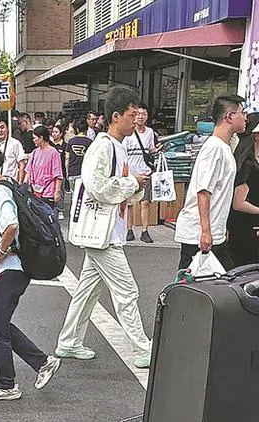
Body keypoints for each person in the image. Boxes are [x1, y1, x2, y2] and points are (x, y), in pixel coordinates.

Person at [54, 85, 152, 369]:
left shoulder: (115, 146)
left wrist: (134, 184)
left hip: (105, 232)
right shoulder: (103, 146)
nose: (137, 119)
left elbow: (110, 188)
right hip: (104, 235)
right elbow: (96, 186)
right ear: (116, 116)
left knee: (88, 290)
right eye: (132, 114)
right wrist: (134, 183)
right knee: (126, 291)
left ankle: (68, 341)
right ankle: (142, 348)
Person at [0, 138, 62, 402]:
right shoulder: (5, 185)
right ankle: (42, 363)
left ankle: (6, 384)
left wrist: (1, 251)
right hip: (13, 271)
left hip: (9, 270)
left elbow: (11, 226)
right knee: (0, 325)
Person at [174, 95, 245, 271]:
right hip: (198, 233)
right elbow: (203, 191)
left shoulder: (224, 147)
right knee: (190, 286)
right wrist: (206, 232)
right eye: (242, 113)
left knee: (206, 285)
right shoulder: (214, 148)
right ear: (229, 117)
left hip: (212, 231)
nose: (245, 118)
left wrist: (220, 227)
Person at [227, 112, 259, 267]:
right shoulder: (247, 163)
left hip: (250, 226)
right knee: (247, 268)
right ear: (255, 135)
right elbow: (238, 203)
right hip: (243, 227)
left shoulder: (257, 161)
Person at [125, 104, 160, 243]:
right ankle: (129, 229)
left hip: (145, 171)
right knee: (129, 203)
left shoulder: (150, 132)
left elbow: (150, 150)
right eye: (138, 114)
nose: (140, 117)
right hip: (131, 173)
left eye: (143, 114)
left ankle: (145, 231)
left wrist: (157, 150)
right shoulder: (128, 132)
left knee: (145, 202)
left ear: (146, 116)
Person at [25, 125, 63, 207]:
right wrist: (25, 186)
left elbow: (58, 174)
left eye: (35, 138)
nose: (33, 140)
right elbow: (28, 171)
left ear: (41, 138)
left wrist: (57, 191)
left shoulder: (53, 153)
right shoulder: (34, 152)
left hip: (48, 192)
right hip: (34, 191)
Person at [0, 117, 27, 183]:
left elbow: (22, 165)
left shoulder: (15, 143)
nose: (0, 130)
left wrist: (19, 184)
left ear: (7, 128)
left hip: (10, 182)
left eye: (2, 127)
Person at [65, 117, 93, 189]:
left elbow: (67, 158)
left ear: (77, 129)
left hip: (72, 171)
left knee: (73, 195)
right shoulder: (89, 142)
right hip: (84, 173)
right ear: (87, 130)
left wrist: (67, 171)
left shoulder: (71, 141)